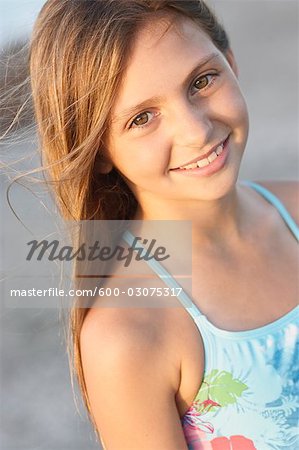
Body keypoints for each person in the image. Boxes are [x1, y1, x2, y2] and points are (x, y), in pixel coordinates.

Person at [29, 1, 298, 449]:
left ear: (230, 63)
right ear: (97, 152)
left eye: (202, 81)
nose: (195, 131)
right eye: (141, 118)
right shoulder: (129, 333)